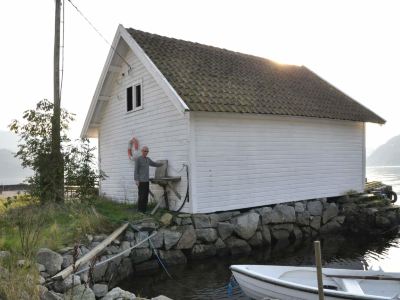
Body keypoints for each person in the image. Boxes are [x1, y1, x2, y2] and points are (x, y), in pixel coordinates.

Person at [134, 146, 163, 213]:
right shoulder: (138, 159)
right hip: (141, 181)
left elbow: (154, 164)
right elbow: (136, 170)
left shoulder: (148, 159)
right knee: (141, 196)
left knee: (146, 196)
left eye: (147, 151)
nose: (146, 152)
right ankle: (140, 211)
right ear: (142, 151)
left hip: (147, 181)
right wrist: (136, 180)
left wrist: (161, 164)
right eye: (144, 151)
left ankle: (144, 210)